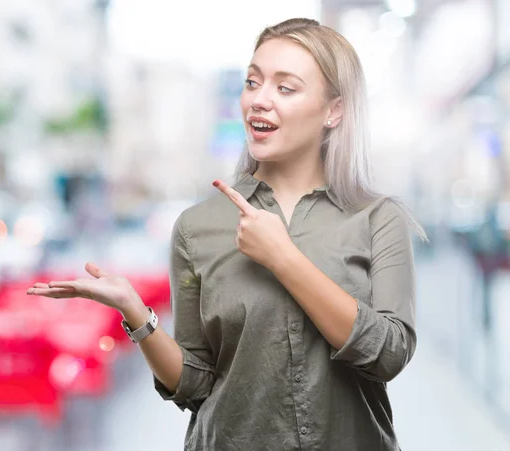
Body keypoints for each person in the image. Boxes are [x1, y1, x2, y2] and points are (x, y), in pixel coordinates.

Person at [27, 17, 426, 451]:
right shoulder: (197, 227)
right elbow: (195, 383)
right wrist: (135, 313)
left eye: (285, 88)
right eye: (252, 83)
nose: (259, 100)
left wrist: (283, 258)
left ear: (334, 110)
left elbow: (388, 354)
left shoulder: (377, 218)